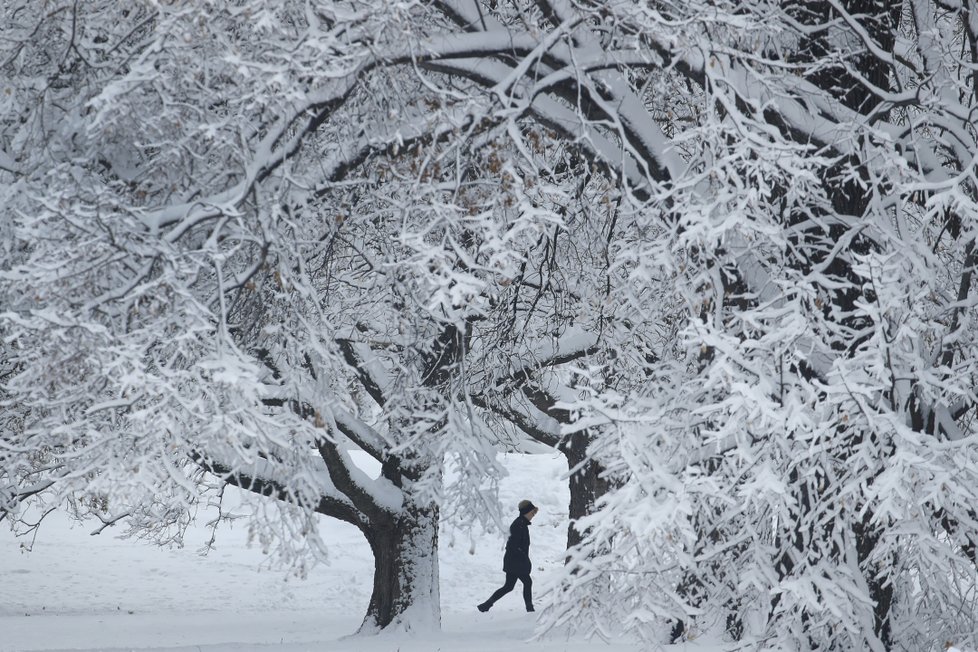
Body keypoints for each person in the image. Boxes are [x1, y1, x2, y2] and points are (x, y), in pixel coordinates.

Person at [478, 500, 538, 613]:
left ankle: (486, 605)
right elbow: (513, 546)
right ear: (526, 512)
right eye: (532, 513)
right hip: (515, 562)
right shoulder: (518, 525)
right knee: (527, 582)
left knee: (508, 586)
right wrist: (524, 559)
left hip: (513, 561)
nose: (533, 515)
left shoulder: (521, 524)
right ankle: (530, 609)